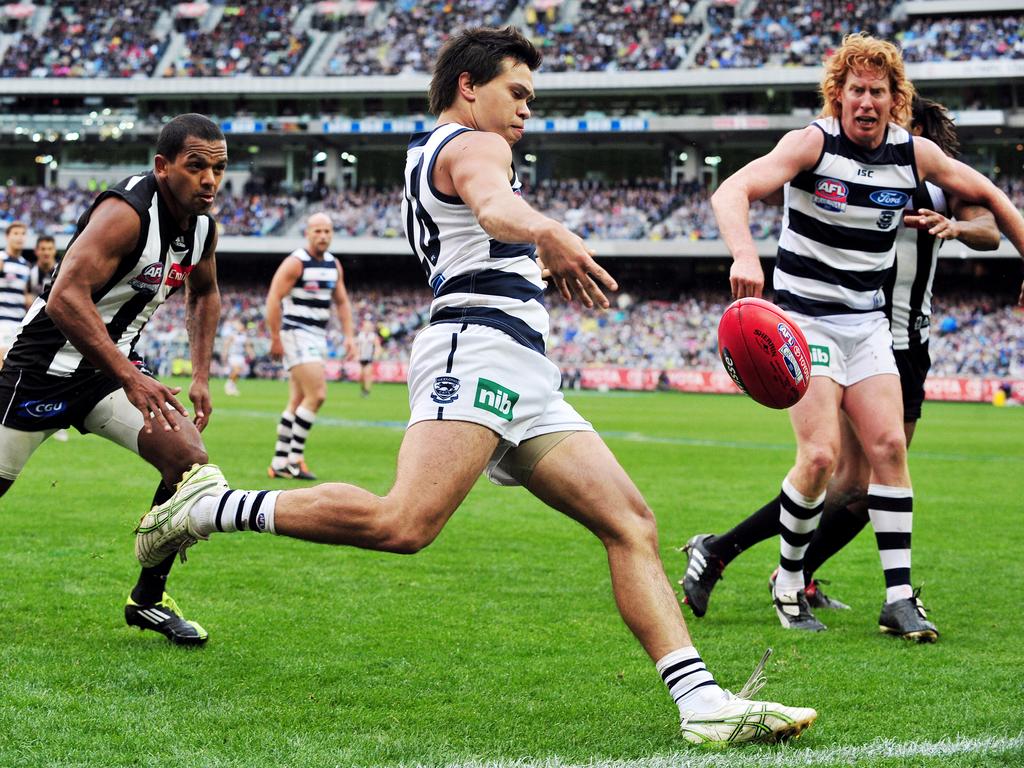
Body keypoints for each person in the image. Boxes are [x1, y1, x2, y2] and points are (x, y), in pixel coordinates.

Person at [135, 26, 816, 744]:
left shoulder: (436, 152)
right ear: (469, 86)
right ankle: (215, 507)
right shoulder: (474, 145)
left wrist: (534, 250)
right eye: (516, 93)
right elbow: (494, 206)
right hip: (478, 353)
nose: (527, 111)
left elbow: (484, 220)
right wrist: (546, 231)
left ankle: (700, 703)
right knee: (405, 523)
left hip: (520, 369)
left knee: (631, 523)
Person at [697, 34, 1024, 640]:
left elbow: (990, 200)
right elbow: (731, 190)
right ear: (839, 96)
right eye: (856, 90)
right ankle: (790, 587)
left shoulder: (914, 154)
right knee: (820, 457)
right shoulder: (811, 142)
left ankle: (898, 599)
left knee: (888, 454)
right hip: (804, 319)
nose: (866, 101)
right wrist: (744, 253)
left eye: (878, 90)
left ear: (895, 99)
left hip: (869, 325)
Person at [0, 113, 228, 646]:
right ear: (163, 166)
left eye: (218, 168)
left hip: (109, 373)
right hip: (43, 370)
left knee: (188, 463)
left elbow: (206, 292)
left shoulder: (202, 229)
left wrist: (200, 374)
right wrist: (131, 376)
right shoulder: (125, 215)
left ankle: (147, 600)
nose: (210, 181)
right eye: (196, 167)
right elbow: (65, 298)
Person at [265, 212, 356, 480]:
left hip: (317, 335)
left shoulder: (333, 265)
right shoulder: (296, 263)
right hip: (297, 332)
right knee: (317, 395)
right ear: (307, 233)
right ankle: (294, 460)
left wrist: (349, 336)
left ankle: (280, 462)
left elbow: (342, 302)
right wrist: (275, 337)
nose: (323, 236)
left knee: (298, 399)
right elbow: (273, 298)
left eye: (327, 231)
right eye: (317, 231)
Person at [27, 234, 70, 442]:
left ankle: (56, 421)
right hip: (33, 331)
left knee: (56, 374)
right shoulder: (31, 273)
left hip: (58, 332)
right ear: (37, 251)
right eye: (42, 249)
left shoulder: (62, 270)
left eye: (49, 249)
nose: (45, 252)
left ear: (54, 251)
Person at [0, 221, 32, 360]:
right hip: (3, 321)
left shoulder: (25, 265)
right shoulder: (1, 259)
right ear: (7, 237)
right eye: (16, 233)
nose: (20, 237)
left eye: (23, 234)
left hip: (20, 323)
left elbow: (25, 294)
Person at [221, 317, 248, 396]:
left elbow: (246, 345)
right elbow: (227, 344)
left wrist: (250, 352)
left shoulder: (244, 335)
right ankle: (228, 384)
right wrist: (225, 353)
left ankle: (232, 386)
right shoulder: (233, 334)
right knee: (236, 370)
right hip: (233, 355)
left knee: (238, 372)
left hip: (240, 355)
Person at [355, 318, 381, 397]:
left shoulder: (373, 336)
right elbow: (357, 346)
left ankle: (367, 391)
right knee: (361, 376)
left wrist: (376, 354)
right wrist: (357, 354)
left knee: (367, 374)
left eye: (369, 327)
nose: (367, 328)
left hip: (369, 358)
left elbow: (377, 346)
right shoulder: (360, 335)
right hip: (361, 358)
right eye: (366, 326)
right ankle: (363, 388)